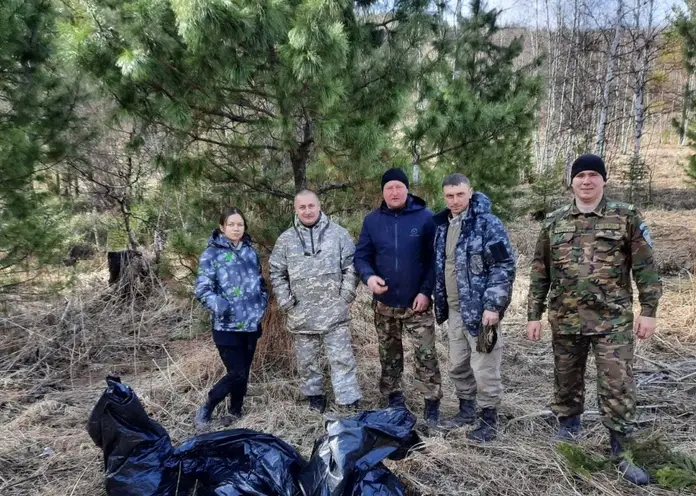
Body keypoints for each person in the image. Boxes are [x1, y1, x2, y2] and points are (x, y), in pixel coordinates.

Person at [526, 154, 662, 485]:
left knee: (617, 385)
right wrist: (534, 314)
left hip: (611, 322)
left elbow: (646, 267)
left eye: (593, 175)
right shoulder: (555, 222)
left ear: (603, 180)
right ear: (571, 181)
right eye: (580, 175)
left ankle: (621, 450)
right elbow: (539, 271)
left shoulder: (626, 217)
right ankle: (568, 432)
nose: (586, 181)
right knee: (566, 380)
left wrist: (649, 311)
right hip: (566, 319)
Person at [354, 168, 442, 426]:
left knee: (425, 354)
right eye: (389, 188)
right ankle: (393, 396)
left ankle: (432, 401)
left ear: (407, 189)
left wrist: (426, 291)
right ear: (382, 192)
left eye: (399, 187)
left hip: (418, 304)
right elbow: (362, 256)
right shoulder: (372, 221)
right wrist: (369, 277)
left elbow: (433, 260)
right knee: (389, 353)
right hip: (384, 303)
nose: (394, 192)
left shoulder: (425, 218)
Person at [432, 174, 515, 442]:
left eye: (459, 194)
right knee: (458, 365)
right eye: (449, 196)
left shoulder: (488, 224)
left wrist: (493, 306)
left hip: (481, 314)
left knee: (484, 367)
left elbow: (503, 266)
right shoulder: (443, 226)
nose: (455, 201)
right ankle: (466, 411)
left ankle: (488, 419)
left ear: (471, 192)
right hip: (455, 311)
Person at [269, 190, 361, 412]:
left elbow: (352, 266)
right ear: (296, 210)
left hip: (334, 311)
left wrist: (346, 295)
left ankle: (348, 400)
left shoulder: (339, 234)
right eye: (302, 207)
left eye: (311, 206)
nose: (307, 211)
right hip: (301, 313)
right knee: (307, 361)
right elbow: (276, 272)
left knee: (342, 359)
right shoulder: (286, 240)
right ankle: (314, 397)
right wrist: (286, 302)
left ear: (319, 206)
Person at [194, 207, 269, 428]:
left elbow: (260, 283)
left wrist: (261, 304)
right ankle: (208, 405)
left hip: (251, 323)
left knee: (243, 372)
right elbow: (202, 289)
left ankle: (235, 411)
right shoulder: (211, 254)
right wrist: (221, 306)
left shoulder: (250, 252)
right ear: (222, 227)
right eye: (231, 224)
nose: (236, 228)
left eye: (240, 225)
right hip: (226, 326)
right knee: (235, 372)